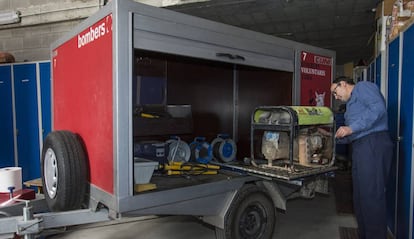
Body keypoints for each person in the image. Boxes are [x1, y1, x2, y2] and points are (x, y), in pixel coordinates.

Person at [331, 76, 394, 239]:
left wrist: (351, 128)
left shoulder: (362, 87)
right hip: (360, 148)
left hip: (373, 144)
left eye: (335, 92)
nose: (335, 97)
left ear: (343, 84)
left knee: (372, 197)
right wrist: (334, 137)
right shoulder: (350, 106)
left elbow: (378, 109)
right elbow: (352, 135)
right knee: (360, 198)